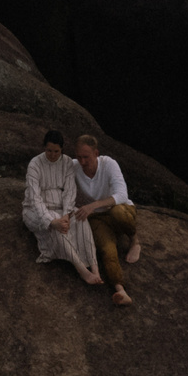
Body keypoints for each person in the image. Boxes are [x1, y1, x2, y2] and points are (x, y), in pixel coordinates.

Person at [21, 128, 101, 285]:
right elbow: (34, 196)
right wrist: (51, 221)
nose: (52, 155)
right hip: (35, 209)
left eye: (56, 151)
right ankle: (81, 269)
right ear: (44, 148)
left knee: (80, 217)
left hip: (60, 206)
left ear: (62, 149)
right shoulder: (35, 164)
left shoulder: (67, 163)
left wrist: (66, 214)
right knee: (57, 226)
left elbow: (70, 191)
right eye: (49, 150)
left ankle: (94, 266)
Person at [72, 134, 139, 306]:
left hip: (117, 209)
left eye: (86, 157)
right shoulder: (73, 166)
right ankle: (121, 291)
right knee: (107, 250)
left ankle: (134, 240)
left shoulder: (108, 164)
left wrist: (93, 205)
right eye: (79, 156)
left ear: (96, 153)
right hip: (97, 219)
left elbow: (122, 195)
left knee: (119, 213)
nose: (82, 161)